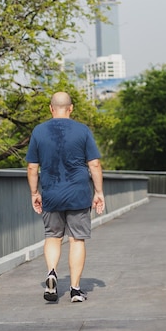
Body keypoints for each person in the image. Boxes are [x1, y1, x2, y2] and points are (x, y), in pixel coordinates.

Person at [26, 91, 105, 303]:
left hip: (51, 192)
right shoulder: (82, 130)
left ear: (51, 108)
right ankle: (75, 290)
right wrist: (98, 192)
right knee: (77, 239)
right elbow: (94, 164)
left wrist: (35, 193)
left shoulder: (39, 131)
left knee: (53, 236)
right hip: (78, 192)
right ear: (71, 108)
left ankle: (52, 272)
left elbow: (33, 167)